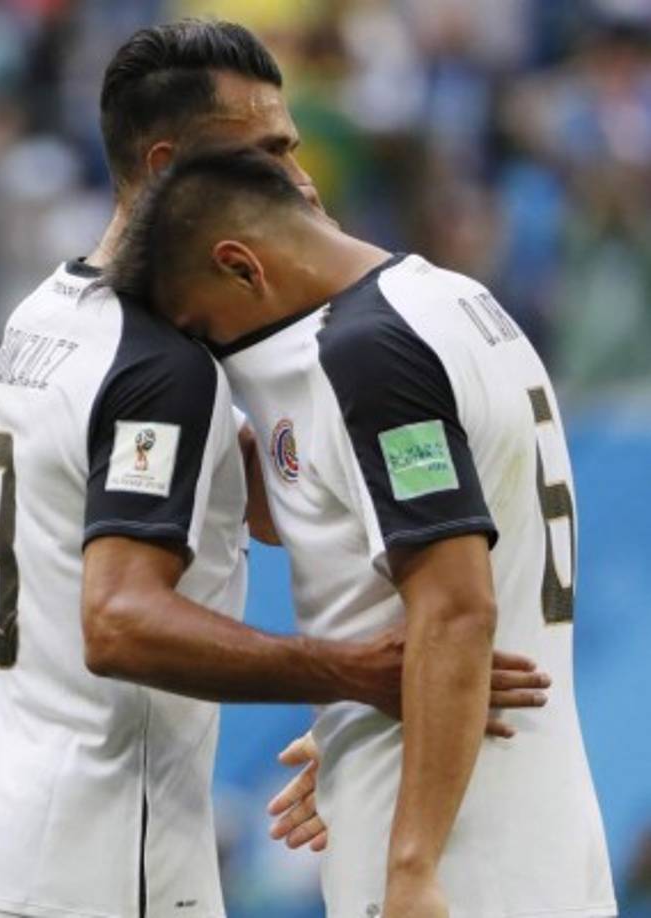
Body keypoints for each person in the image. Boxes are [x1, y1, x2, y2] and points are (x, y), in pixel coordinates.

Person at [0, 21, 550, 918]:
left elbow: (251, 502)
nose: (295, 180)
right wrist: (356, 674)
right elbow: (118, 621)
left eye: (288, 146)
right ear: (165, 167)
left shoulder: (47, 315)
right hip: (105, 857)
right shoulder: (158, 368)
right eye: (260, 152)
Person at [105, 146, 617, 918]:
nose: (218, 357)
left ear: (242, 267)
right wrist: (363, 727)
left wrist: (410, 866)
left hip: (454, 859)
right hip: (535, 819)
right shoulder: (454, 299)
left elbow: (457, 610)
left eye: (205, 328)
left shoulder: (367, 353)